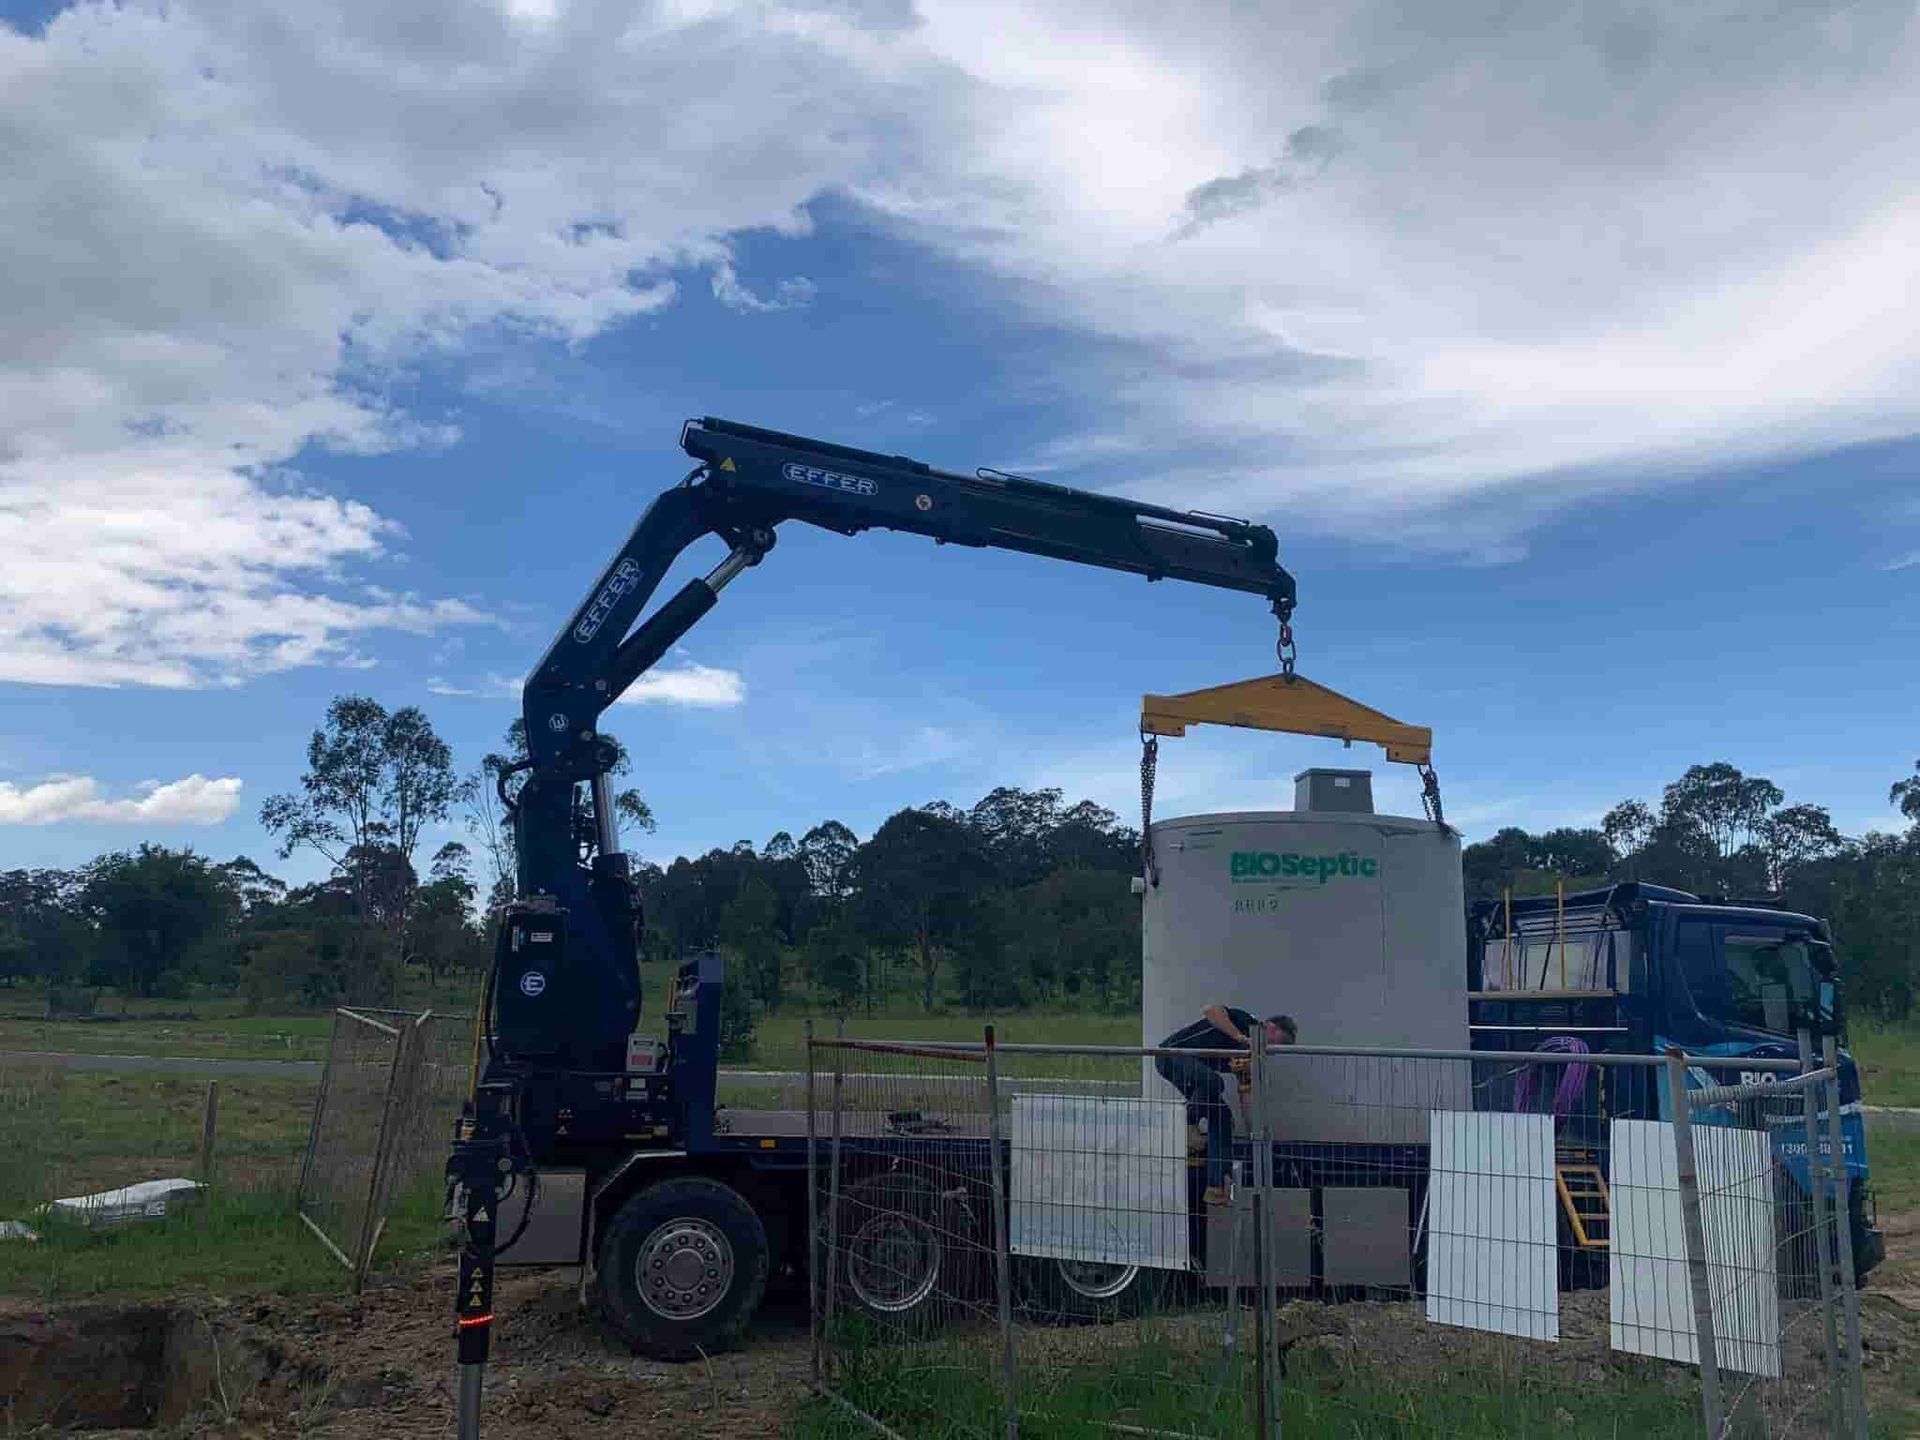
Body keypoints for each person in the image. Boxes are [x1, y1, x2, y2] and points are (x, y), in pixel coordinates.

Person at [1154, 1005, 1297, 1202]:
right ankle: (1187, 1127)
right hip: (1172, 1055)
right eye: (1276, 1043)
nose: (1272, 1050)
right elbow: (1210, 1010)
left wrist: (1252, 1129)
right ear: (1269, 1028)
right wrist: (1240, 1038)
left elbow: (1245, 1095)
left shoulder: (1250, 1057)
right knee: (1214, 1082)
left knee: (1222, 1116)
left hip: (1194, 1072)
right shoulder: (1245, 1020)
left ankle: (1217, 1186)